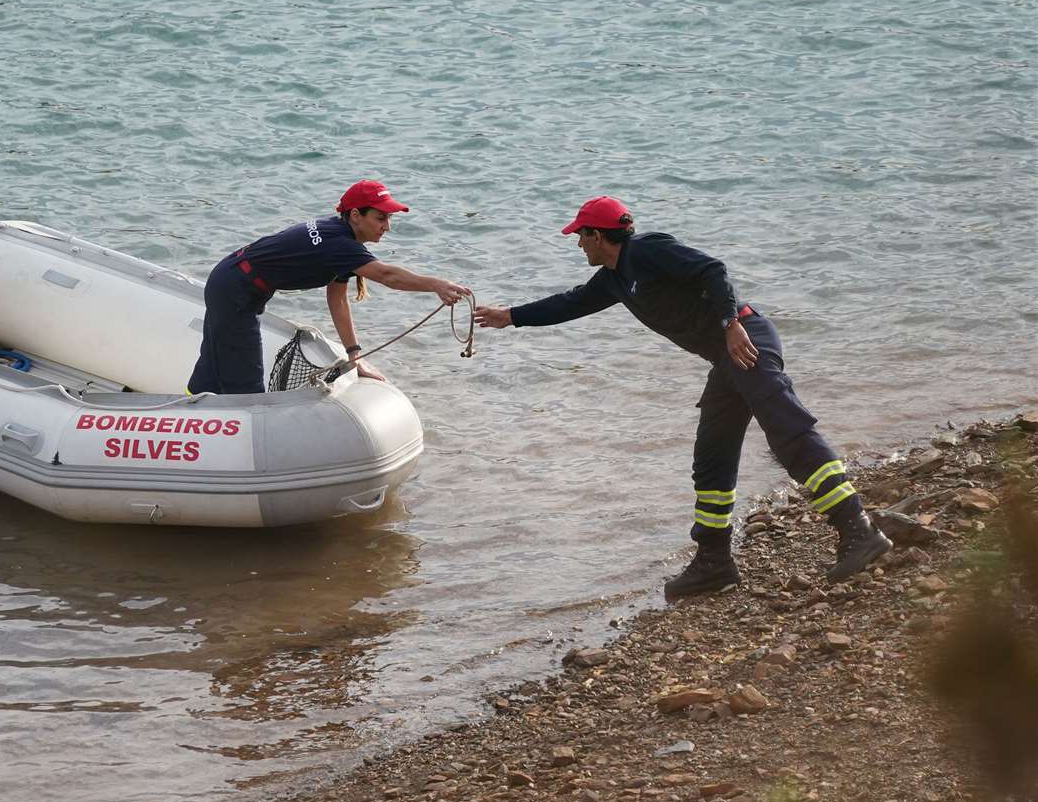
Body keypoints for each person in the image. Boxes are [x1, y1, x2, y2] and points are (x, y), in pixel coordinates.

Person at [472, 195, 893, 599]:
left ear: (598, 236)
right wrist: (510, 317)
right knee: (712, 456)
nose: (578, 244)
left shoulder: (647, 251)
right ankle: (713, 562)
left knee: (788, 430)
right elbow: (572, 303)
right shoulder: (615, 279)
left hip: (746, 342)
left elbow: (712, 270)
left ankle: (858, 529)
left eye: (580, 236)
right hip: (724, 360)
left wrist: (729, 322)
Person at [187, 180, 472, 395]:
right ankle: (239, 441)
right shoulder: (339, 244)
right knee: (245, 376)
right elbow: (388, 276)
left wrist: (354, 356)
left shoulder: (338, 235)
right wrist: (436, 284)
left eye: (390, 218)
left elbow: (337, 301)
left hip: (232, 280)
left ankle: (193, 407)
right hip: (235, 289)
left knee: (213, 363)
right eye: (381, 217)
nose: (387, 226)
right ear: (356, 215)